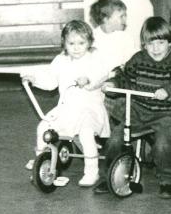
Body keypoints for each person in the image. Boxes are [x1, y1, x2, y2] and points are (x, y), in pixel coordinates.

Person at [94, 17, 171, 199]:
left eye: (161, 43)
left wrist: (168, 90)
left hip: (166, 114)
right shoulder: (138, 59)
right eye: (150, 43)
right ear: (144, 44)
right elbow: (124, 77)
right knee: (115, 138)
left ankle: (167, 179)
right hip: (139, 110)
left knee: (162, 144)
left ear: (169, 42)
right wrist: (113, 84)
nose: (155, 49)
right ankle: (108, 176)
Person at [21, 20, 111, 187]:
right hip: (67, 108)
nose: (76, 48)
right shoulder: (60, 60)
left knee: (85, 134)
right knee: (43, 128)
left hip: (89, 108)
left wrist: (89, 79)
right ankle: (42, 159)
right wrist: (34, 79)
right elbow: (50, 81)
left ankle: (92, 171)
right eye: (71, 43)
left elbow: (102, 74)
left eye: (81, 43)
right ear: (64, 43)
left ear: (89, 43)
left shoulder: (94, 58)